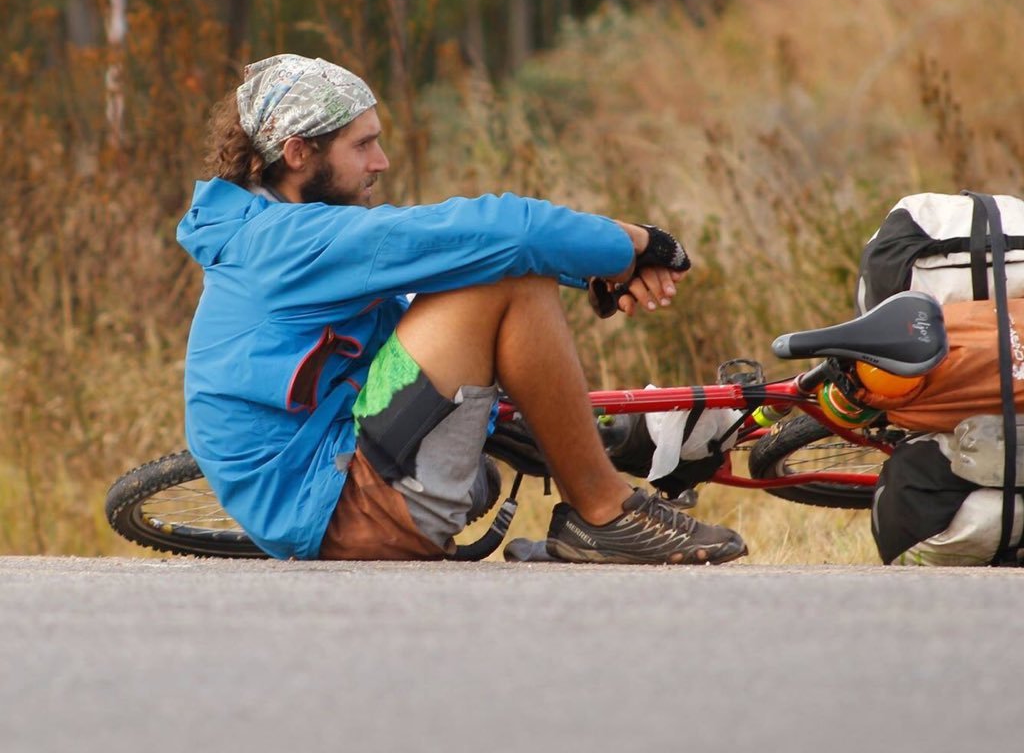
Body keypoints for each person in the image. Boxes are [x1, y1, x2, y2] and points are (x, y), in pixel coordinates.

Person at [177, 53, 747, 565]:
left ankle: (588, 468)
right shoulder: (290, 244)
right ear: (299, 153)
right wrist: (637, 245)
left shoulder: (269, 229)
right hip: (341, 507)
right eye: (362, 144)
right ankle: (602, 513)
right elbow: (504, 229)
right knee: (511, 275)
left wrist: (589, 273)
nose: (382, 161)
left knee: (490, 266)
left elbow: (440, 280)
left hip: (325, 481)